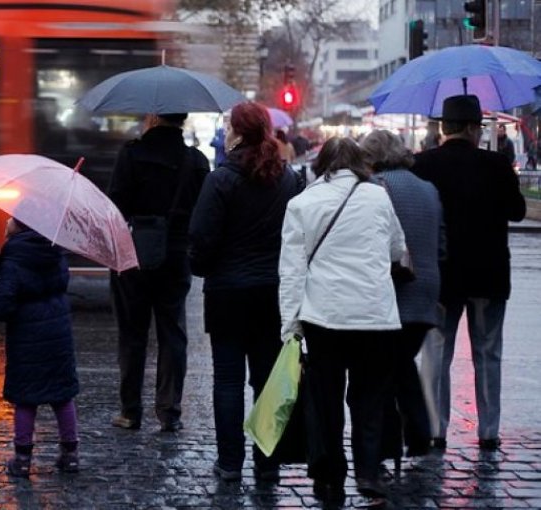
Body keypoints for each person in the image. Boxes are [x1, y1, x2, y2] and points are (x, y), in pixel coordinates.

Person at [279, 137, 406, 503]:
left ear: (321, 165)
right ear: (360, 164)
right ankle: (368, 473)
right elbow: (396, 247)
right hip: (375, 316)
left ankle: (328, 472)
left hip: (325, 317)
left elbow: (292, 272)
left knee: (325, 399)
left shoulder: (301, 203)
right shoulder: (379, 196)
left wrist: (291, 327)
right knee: (369, 399)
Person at [188, 102, 303, 482]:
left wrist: (203, 266)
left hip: (227, 293)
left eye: (228, 126)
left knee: (228, 380)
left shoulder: (220, 180)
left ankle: (230, 462)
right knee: (268, 381)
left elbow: (202, 239)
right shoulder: (286, 179)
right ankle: (267, 462)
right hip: (272, 293)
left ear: (238, 133)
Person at [411, 95, 526, 452]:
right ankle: (488, 430)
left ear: (443, 128)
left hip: (442, 275)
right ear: (476, 129)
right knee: (488, 353)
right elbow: (518, 212)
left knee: (436, 353)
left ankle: (436, 428)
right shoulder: (496, 164)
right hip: (489, 274)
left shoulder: (423, 164)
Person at [107, 112, 209, 432]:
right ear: (183, 119)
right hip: (177, 255)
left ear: (153, 117)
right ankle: (169, 412)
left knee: (133, 333)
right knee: (172, 332)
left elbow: (115, 208)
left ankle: (130, 411)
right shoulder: (196, 161)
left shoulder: (132, 154)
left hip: (135, 252)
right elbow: (202, 211)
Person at [360, 130, 444, 463]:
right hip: (426, 288)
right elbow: (441, 243)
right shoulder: (428, 188)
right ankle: (413, 435)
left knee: (386, 366)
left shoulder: (377, 187)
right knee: (400, 361)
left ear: (373, 157)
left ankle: (407, 436)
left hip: (394, 290)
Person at [0, 217, 80, 478]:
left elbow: (2, 305)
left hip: (26, 339)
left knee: (26, 400)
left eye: (12, 219)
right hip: (58, 334)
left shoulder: (14, 258)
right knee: (63, 396)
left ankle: (23, 459)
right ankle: (70, 455)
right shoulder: (55, 251)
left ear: (21, 226)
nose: (6, 221)